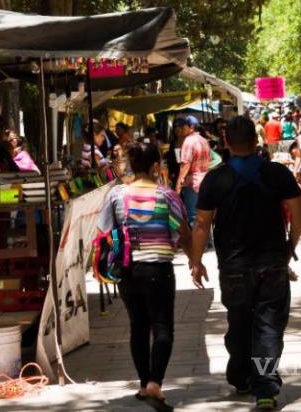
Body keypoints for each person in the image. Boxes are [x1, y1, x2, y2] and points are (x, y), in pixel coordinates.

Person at [189, 116, 301, 410]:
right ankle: (264, 387)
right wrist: (289, 247)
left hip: (233, 266)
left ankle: (241, 377)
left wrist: (196, 260)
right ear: (256, 141)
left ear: (225, 142)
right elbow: (298, 214)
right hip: (272, 263)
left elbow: (201, 223)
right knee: (269, 327)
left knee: (239, 322)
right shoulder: (277, 173)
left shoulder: (215, 179)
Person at [97, 143, 193, 408]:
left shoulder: (117, 195)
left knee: (138, 326)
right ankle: (154, 383)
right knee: (162, 326)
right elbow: (184, 233)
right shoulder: (166, 195)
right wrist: (195, 262)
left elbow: (104, 231)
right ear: (155, 166)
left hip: (128, 270)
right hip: (158, 270)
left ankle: (143, 383)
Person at [175, 117, 211, 227]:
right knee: (205, 218)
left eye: (183, 126)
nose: (180, 129)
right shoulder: (203, 140)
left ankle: (196, 239)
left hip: (193, 184)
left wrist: (178, 186)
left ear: (191, 127)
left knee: (193, 218)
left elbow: (185, 165)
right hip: (205, 182)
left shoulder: (189, 141)